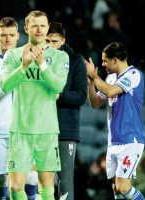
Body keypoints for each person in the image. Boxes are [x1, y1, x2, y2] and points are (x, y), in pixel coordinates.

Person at [0, 10, 69, 200]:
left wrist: (42, 65)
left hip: (47, 130)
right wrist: (23, 66)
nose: (39, 29)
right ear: (26, 28)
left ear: (47, 29)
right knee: (15, 188)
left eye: (43, 25)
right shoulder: (13, 56)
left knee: (46, 187)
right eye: (34, 25)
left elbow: (58, 85)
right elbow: (5, 86)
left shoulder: (59, 57)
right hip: (20, 129)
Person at [0, 17, 38, 200]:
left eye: (12, 35)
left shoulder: (32, 60)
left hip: (26, 132)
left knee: (30, 184)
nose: (8, 39)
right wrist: (6, 87)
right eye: (3, 35)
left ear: (18, 35)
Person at [86, 42, 145, 200]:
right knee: (116, 189)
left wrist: (94, 76)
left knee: (124, 187)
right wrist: (91, 83)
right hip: (113, 141)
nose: (103, 64)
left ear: (115, 60)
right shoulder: (111, 78)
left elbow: (111, 91)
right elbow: (95, 103)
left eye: (106, 60)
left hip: (130, 139)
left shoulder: (134, 75)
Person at [46, 21, 87, 200]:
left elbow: (80, 96)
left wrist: (59, 97)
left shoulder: (76, 60)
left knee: (65, 182)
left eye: (54, 41)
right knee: (41, 180)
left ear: (63, 40)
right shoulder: (35, 58)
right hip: (40, 127)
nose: (49, 46)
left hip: (65, 129)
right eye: (46, 41)